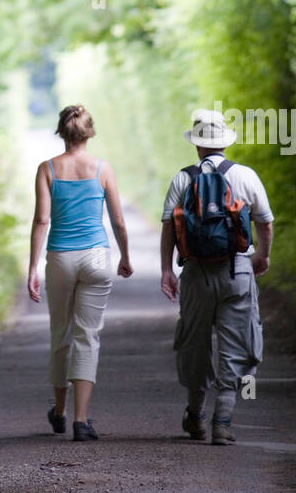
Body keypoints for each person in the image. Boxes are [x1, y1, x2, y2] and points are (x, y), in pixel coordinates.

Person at [160, 108, 275, 446]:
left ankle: (194, 416)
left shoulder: (183, 179)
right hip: (237, 270)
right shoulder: (246, 176)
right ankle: (222, 422)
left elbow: (169, 225)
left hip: (195, 273)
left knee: (194, 344)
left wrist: (167, 269)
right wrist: (262, 255)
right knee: (236, 345)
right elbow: (265, 223)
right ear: (225, 144)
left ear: (197, 146)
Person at [28, 104, 133, 441]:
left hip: (60, 258)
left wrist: (32, 267)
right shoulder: (103, 169)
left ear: (61, 132)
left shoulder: (47, 169)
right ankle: (82, 421)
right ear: (91, 132)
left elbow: (42, 221)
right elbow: (118, 220)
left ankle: (59, 412)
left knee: (60, 334)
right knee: (88, 336)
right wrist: (125, 256)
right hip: (97, 258)